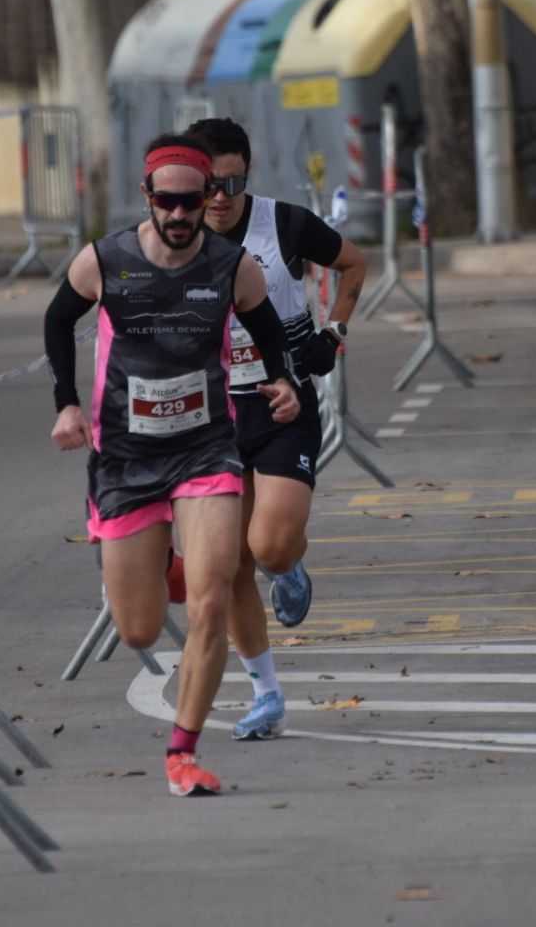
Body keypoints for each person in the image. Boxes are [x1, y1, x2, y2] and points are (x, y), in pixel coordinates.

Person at [43, 132, 300, 797]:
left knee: (213, 599)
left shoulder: (230, 266)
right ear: (148, 198)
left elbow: (265, 326)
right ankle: (163, 559)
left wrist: (280, 379)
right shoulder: (106, 261)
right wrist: (67, 404)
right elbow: (55, 319)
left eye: (195, 202)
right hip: (125, 459)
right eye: (170, 203)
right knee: (142, 626)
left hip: (204, 449)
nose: (183, 216)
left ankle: (182, 752)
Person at [185, 117, 369, 742]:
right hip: (211, 419)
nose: (219, 197)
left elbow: (353, 263)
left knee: (269, 548)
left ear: (247, 175)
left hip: (282, 405)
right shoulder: (170, 239)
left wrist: (334, 333)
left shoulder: (282, 223)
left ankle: (289, 567)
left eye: (232, 182)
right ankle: (266, 694)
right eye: (209, 183)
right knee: (230, 562)